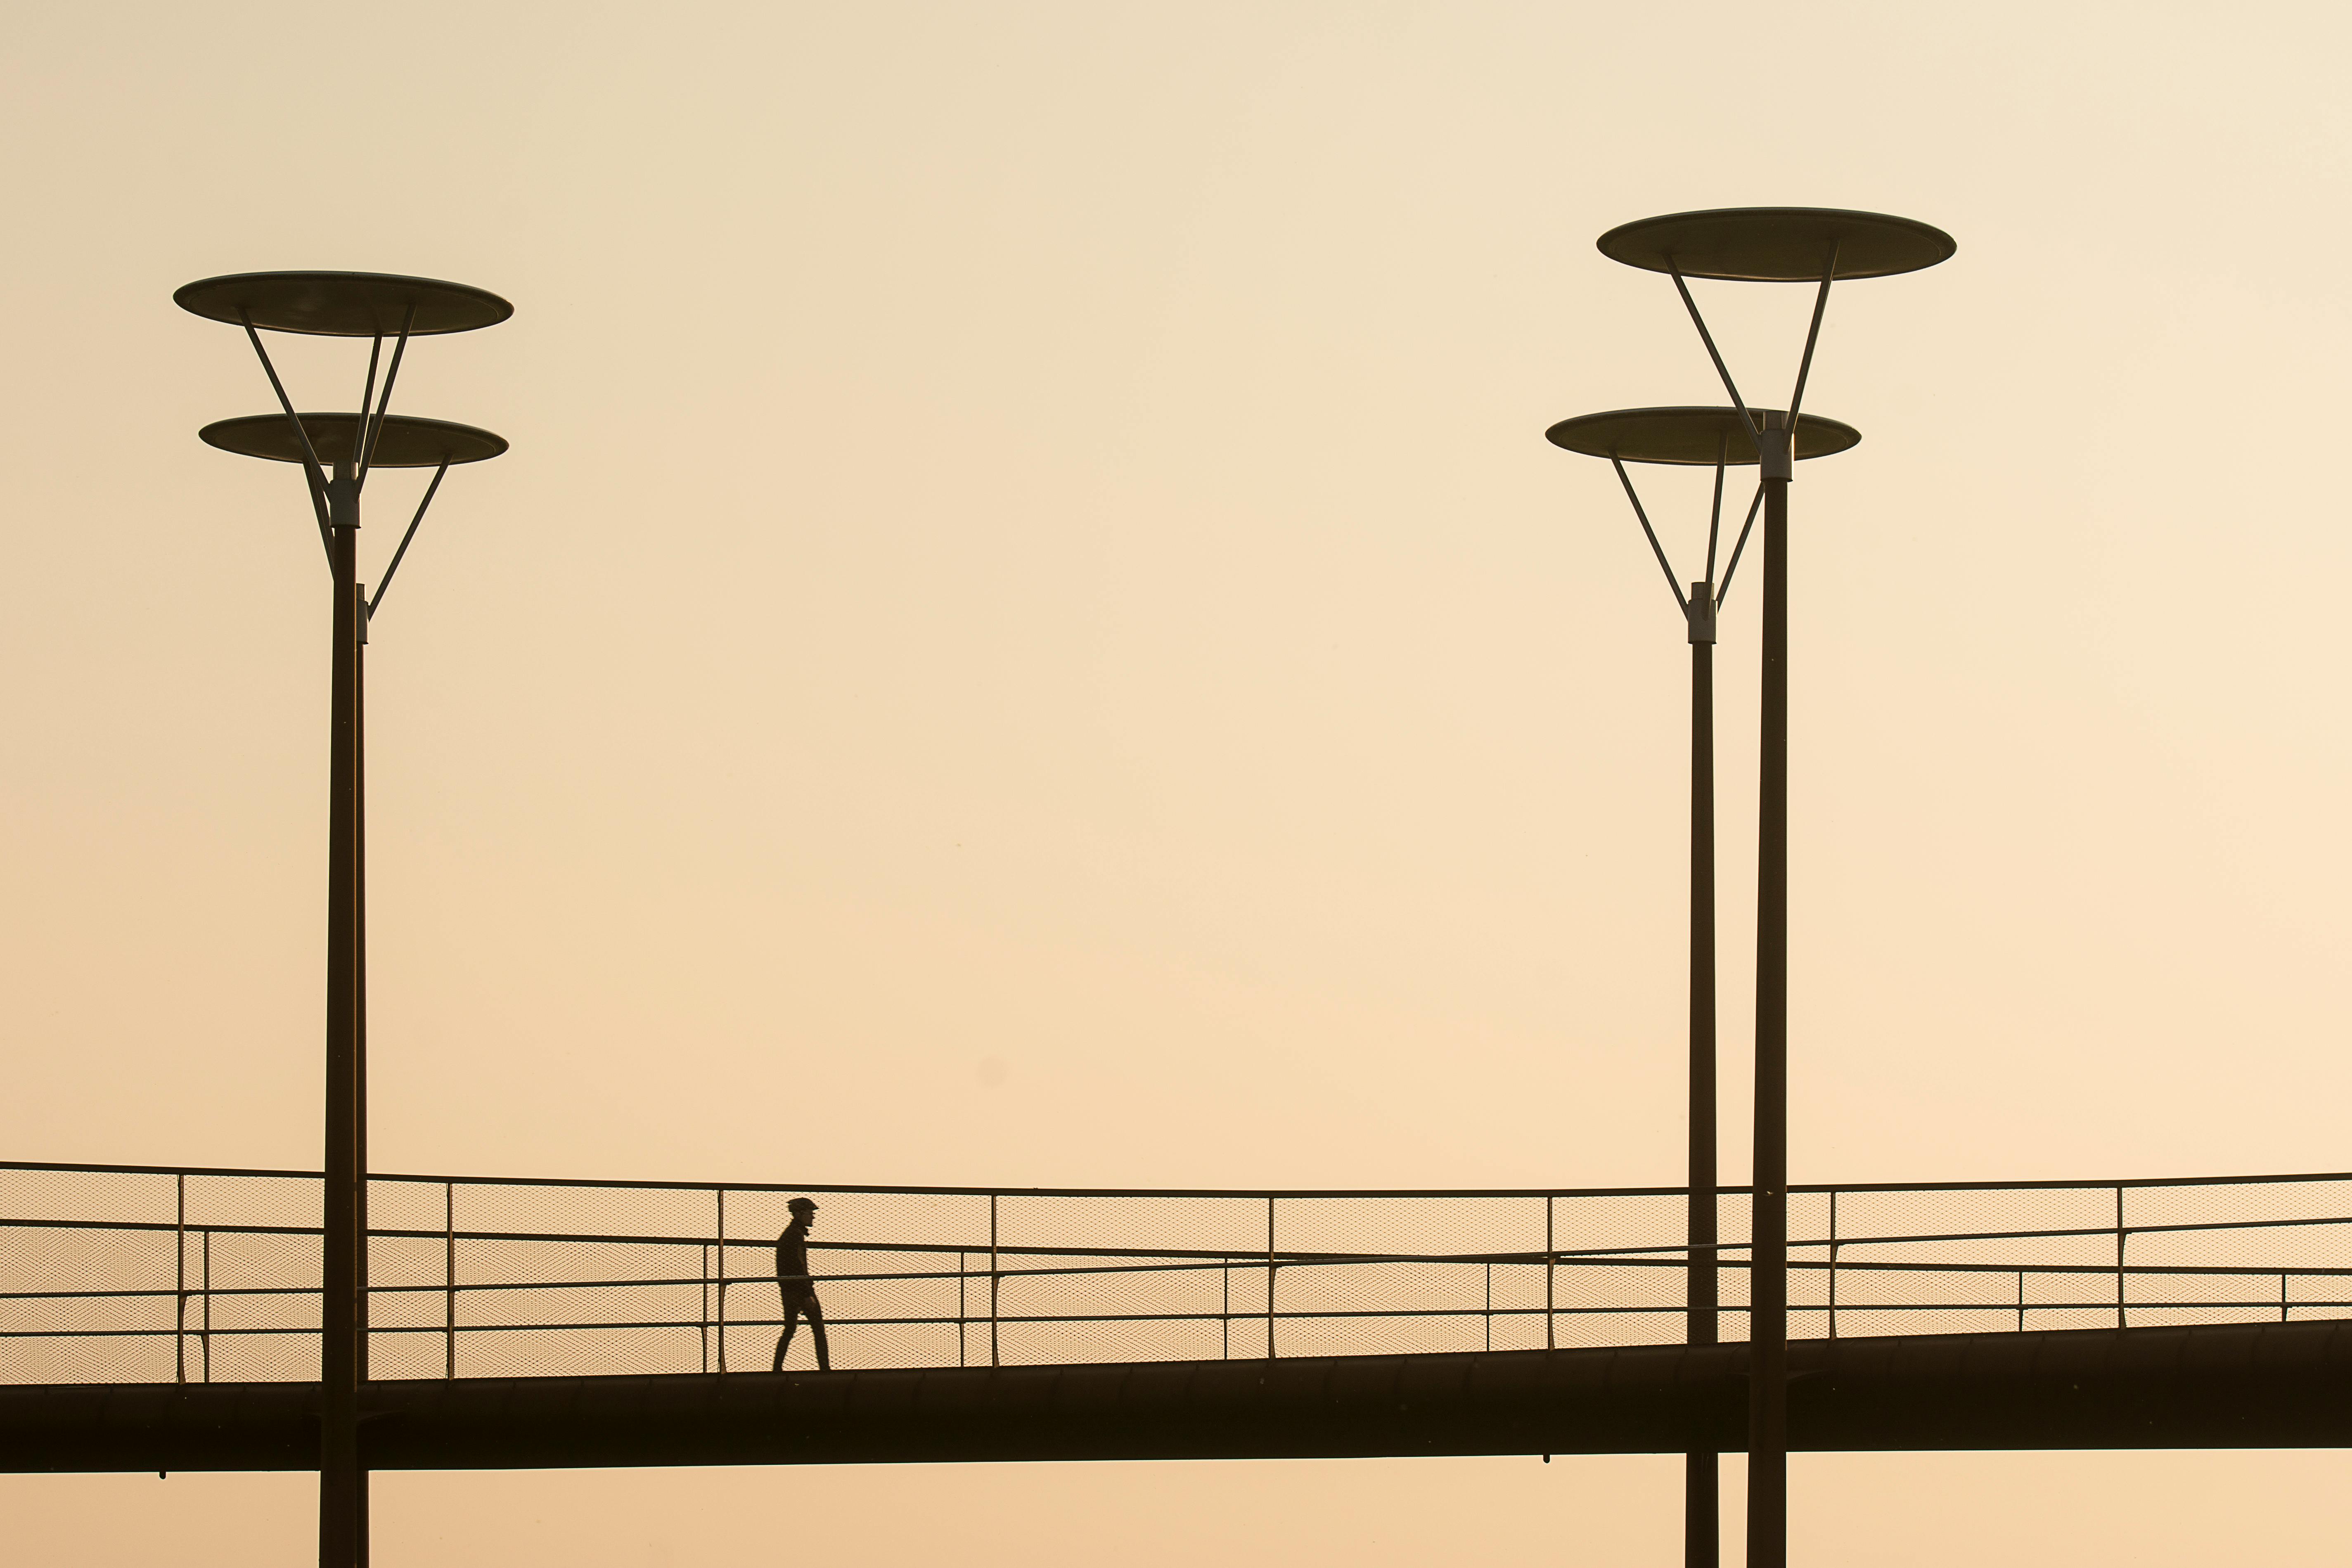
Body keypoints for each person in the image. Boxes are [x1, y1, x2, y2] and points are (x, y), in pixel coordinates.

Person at [771, 1196, 831, 1372]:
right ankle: (825, 1369)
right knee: (818, 1328)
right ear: (799, 1214)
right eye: (810, 1213)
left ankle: (777, 1369)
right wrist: (807, 1295)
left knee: (790, 1329)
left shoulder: (790, 1234)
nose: (813, 1217)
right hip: (800, 1290)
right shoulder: (795, 1236)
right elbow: (798, 1266)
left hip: (790, 1289)